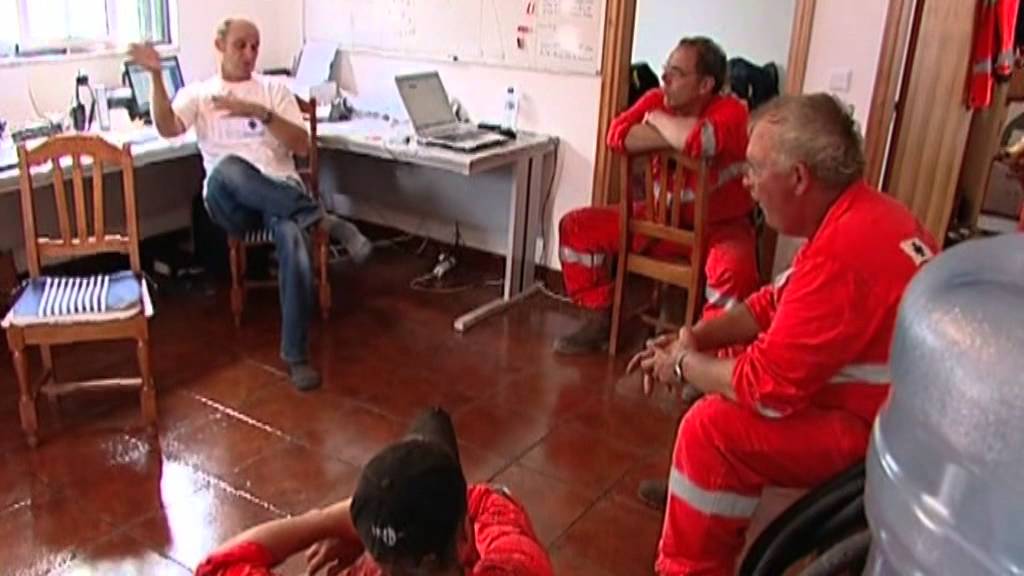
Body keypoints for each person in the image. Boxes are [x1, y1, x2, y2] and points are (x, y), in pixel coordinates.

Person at [628, 93, 938, 575]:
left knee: (710, 430)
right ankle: (706, 503)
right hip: (890, 415)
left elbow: (765, 390)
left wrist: (683, 365)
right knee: (728, 359)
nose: (746, 181)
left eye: (754, 168)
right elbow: (770, 304)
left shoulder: (842, 256)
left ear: (798, 178)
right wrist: (694, 337)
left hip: (876, 436)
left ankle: (691, 565)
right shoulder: (867, 214)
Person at [128, 19, 371, 392]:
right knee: (227, 170)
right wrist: (157, 78)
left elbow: (302, 147)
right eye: (240, 45)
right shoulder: (201, 94)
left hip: (277, 192)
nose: (249, 54)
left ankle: (295, 355)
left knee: (292, 235)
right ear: (219, 45)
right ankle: (320, 217)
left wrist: (259, 112)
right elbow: (167, 127)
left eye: (255, 46)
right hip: (230, 204)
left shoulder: (274, 90)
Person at [554, 36, 759, 355]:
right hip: (655, 221)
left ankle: (713, 355)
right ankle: (606, 318)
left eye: (675, 73)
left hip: (719, 228)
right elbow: (617, 135)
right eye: (666, 69)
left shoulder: (731, 111)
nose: (664, 79)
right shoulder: (655, 98)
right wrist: (670, 129)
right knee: (576, 227)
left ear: (705, 84)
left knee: (733, 268)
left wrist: (657, 122)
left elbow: (701, 142)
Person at [194, 407, 554, 576]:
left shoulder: (362, 572)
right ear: (462, 536)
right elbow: (491, 504)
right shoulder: (516, 567)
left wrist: (328, 521)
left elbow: (219, 566)